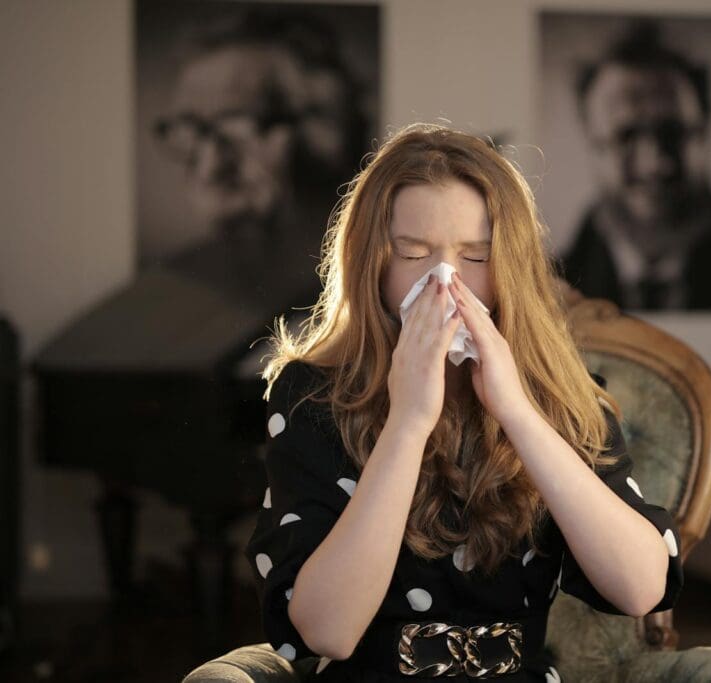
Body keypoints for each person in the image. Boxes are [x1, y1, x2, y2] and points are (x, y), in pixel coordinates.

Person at [244, 123, 684, 681]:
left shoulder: (562, 399)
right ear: (372, 263)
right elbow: (328, 630)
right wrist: (408, 422)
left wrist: (519, 412)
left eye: (475, 257)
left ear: (510, 268)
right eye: (413, 252)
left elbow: (641, 589)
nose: (445, 280)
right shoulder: (311, 397)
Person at [151, 6, 370, 312]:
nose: (210, 167)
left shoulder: (370, 289)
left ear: (324, 136)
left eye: (239, 127)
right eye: (193, 131)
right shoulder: (176, 291)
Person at [558, 22, 711, 311]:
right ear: (590, 139)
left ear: (706, 133)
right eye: (626, 136)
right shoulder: (540, 288)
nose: (655, 164)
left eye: (673, 133)